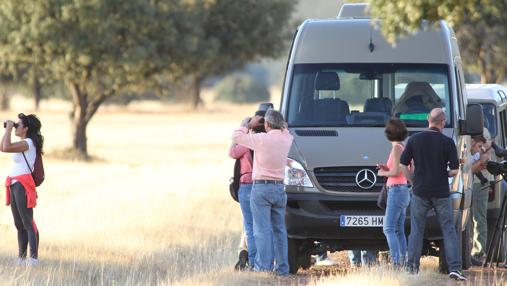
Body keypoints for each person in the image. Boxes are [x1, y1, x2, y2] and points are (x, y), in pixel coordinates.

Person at [400, 108, 466, 281]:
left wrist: (413, 181)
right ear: (442, 122)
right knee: (448, 229)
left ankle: (412, 268)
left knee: (416, 230)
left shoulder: (414, 139)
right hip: (441, 192)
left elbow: (402, 165)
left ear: (428, 120)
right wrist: (444, 172)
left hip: (420, 191)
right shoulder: (447, 142)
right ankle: (454, 268)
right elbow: (453, 171)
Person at [232, 109, 293, 275]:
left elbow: (236, 138)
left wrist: (246, 124)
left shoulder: (261, 139)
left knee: (261, 230)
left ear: (266, 124)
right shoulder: (287, 138)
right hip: (279, 188)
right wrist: (281, 125)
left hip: (261, 188)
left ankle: (263, 268)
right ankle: (282, 269)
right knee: (279, 230)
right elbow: (286, 129)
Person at [1, 113, 43, 266]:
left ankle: (33, 259)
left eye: (18, 125)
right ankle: (21, 257)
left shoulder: (29, 143)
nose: (15, 127)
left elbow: (5, 147)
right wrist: (8, 129)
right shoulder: (23, 142)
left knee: (27, 221)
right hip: (14, 182)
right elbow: (2, 146)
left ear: (25, 128)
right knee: (18, 223)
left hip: (22, 184)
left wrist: (9, 128)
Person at [229, 108, 267, 270]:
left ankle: (253, 261)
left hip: (247, 185)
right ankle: (264, 260)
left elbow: (232, 152)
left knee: (250, 226)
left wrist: (244, 125)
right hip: (264, 184)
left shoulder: (247, 141)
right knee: (264, 226)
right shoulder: (269, 140)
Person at [377, 118, 410, 267]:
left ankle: (396, 262)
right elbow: (408, 170)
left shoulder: (396, 148)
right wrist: (386, 167)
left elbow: (396, 171)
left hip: (396, 190)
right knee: (399, 230)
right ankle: (403, 261)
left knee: (388, 228)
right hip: (403, 190)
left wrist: (383, 173)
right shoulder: (403, 147)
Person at [470, 129, 492, 266]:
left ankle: (478, 252)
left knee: (478, 218)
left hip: (479, 183)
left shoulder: (482, 130)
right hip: (470, 182)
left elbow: (484, 159)